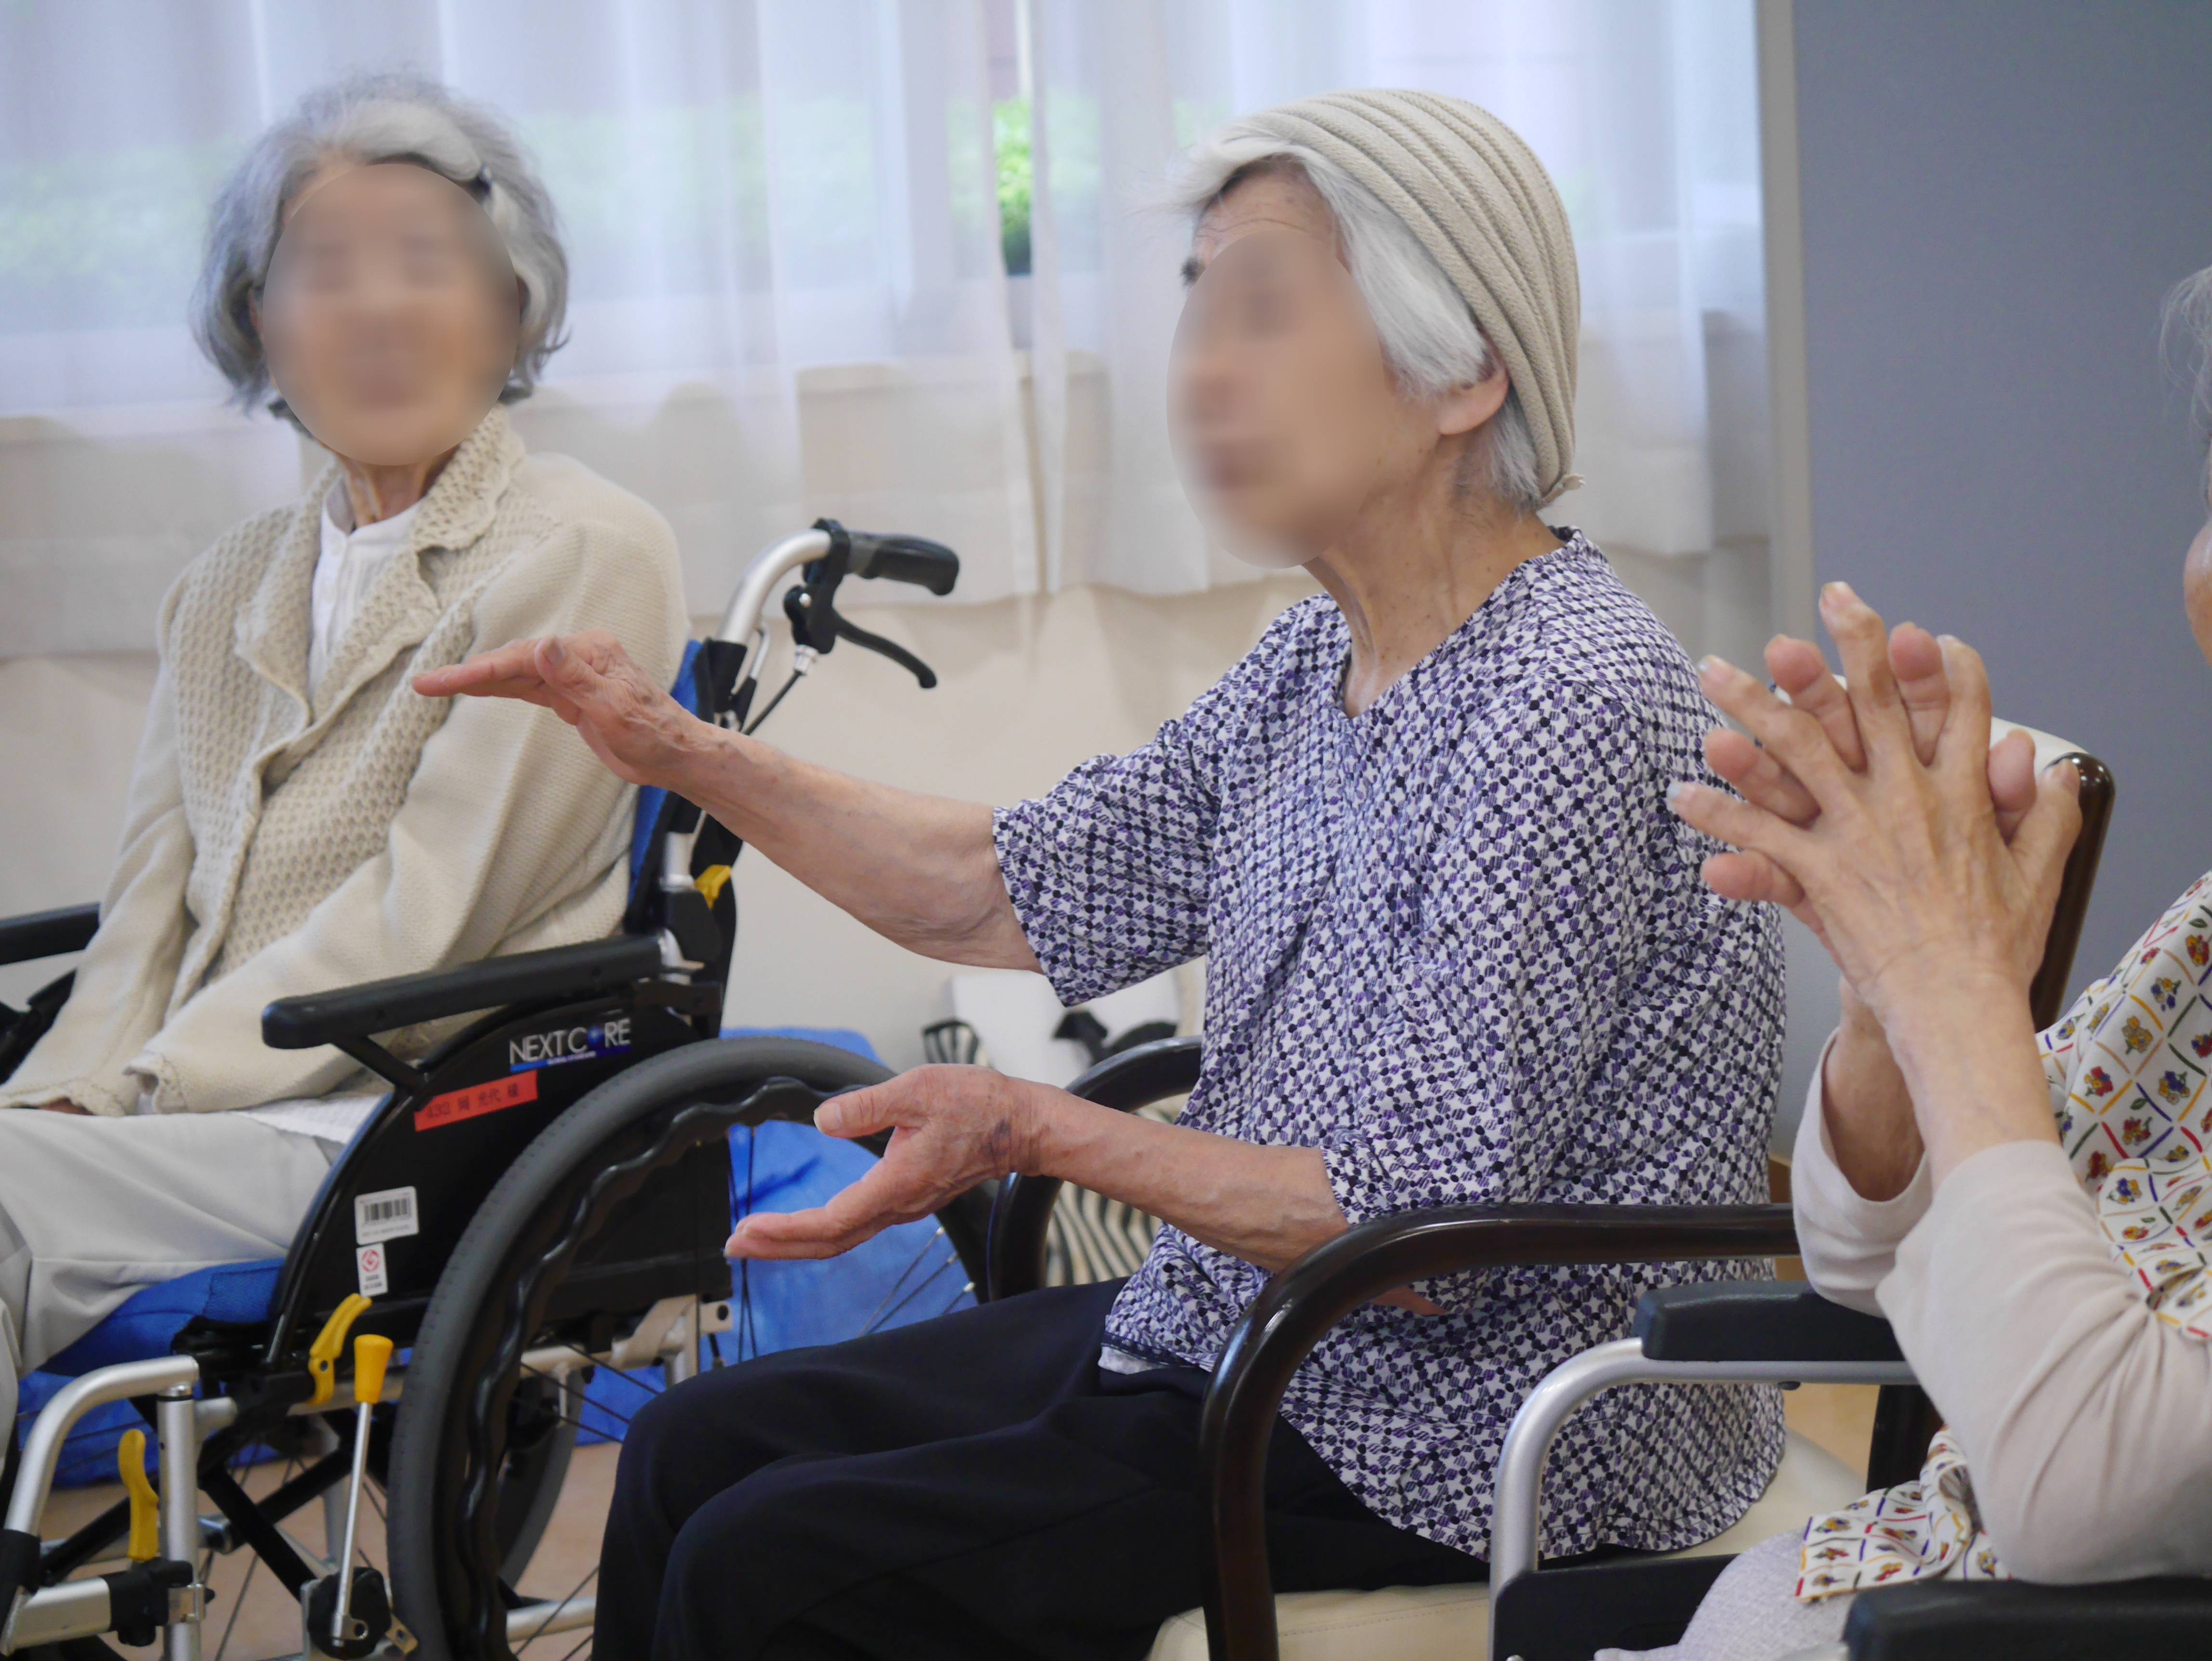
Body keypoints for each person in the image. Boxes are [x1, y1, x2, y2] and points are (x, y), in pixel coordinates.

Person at [425, 90, 1785, 1661]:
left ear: (1464, 374)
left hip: (1471, 1427)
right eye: (1199, 308)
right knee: (687, 1444)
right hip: (1260, 1333)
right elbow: (1006, 887)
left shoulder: (1568, 697)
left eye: (1263, 309)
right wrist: (676, 750)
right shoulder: (1315, 664)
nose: (1198, 369)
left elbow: (1411, 1235)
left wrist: (1033, 1128)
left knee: (766, 1563)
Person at [0, 73, 685, 1438]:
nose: (376, 308)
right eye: (324, 269)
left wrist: (150, 1088)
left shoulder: (581, 550)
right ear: (260, 319)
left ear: (512, 305)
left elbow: (428, 920)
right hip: (197, 1114)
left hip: (396, 1119)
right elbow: (147, 911)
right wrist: (68, 1091)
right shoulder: (226, 582)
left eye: (426, 262)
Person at [1618, 277, 2212, 1659]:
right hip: (1850, 1587)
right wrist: (1893, 1002)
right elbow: (1864, 1247)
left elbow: (2089, 1488)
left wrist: (1950, 982)